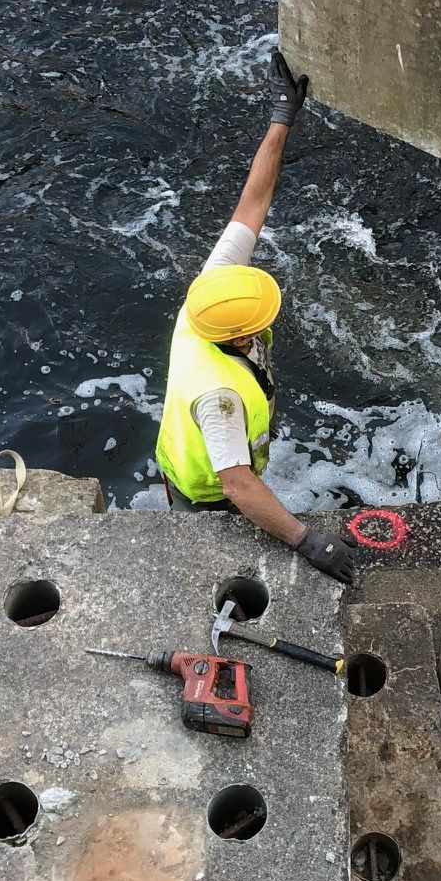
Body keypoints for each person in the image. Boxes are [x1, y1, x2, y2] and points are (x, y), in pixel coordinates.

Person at [154, 50, 354, 586]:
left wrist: (281, 118)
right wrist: (306, 540)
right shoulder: (218, 402)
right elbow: (237, 484)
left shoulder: (208, 295)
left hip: (199, 455)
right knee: (226, 578)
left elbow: (251, 205)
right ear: (240, 333)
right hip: (208, 495)